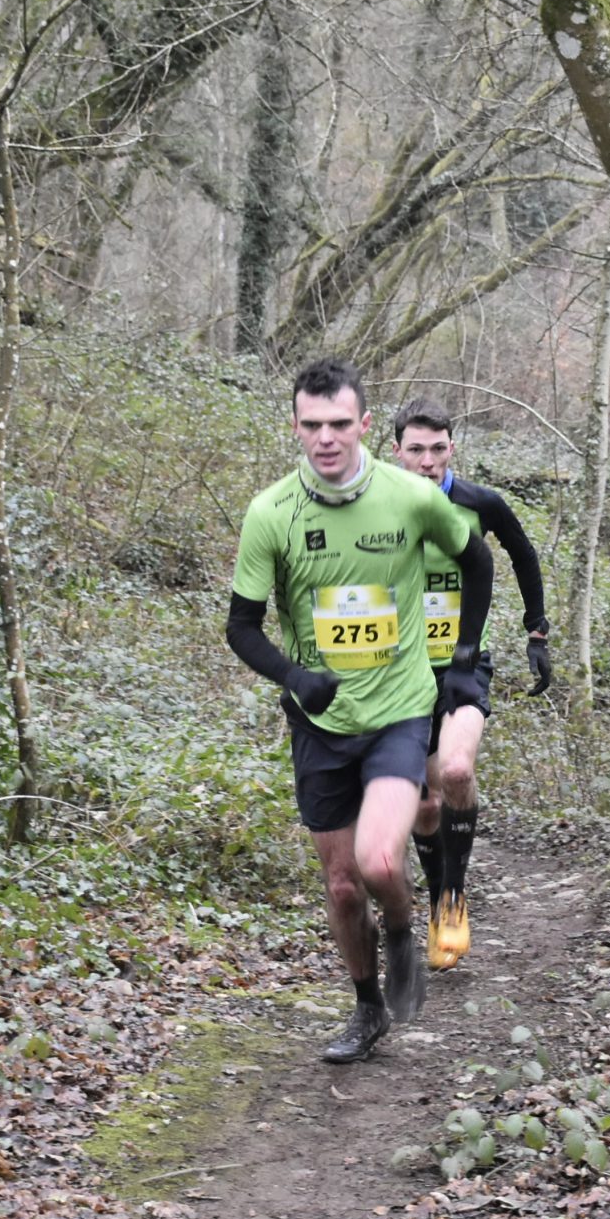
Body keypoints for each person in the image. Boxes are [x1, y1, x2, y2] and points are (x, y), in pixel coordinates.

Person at [226, 360, 495, 1064]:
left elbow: (479, 562)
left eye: (340, 424)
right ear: (294, 427)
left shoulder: (411, 497)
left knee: (379, 860)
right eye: (312, 425)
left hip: (400, 711)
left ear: (366, 426)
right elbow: (241, 627)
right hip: (319, 724)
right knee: (344, 885)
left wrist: (463, 651)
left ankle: (403, 928)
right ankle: (367, 1007)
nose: (326, 438)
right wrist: (293, 675)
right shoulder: (271, 513)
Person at [387, 396, 550, 972]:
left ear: (452, 448)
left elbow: (523, 556)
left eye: (438, 449)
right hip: (398, 673)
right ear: (396, 451)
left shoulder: (480, 503)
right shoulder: (378, 507)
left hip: (462, 665)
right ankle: (437, 900)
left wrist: (537, 631)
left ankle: (454, 898)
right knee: (424, 803)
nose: (427, 461)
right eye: (416, 450)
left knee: (456, 772)